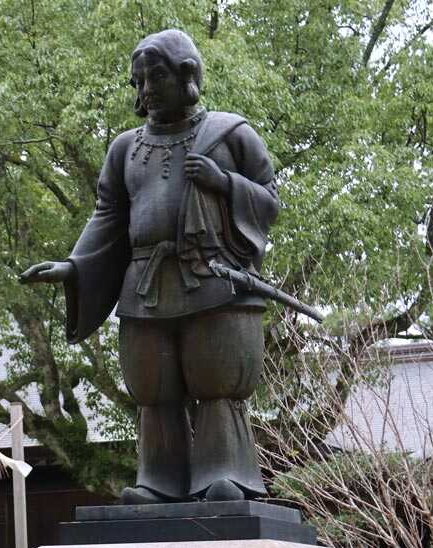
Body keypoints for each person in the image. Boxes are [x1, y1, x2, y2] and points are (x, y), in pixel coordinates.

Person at [20, 29, 280, 504]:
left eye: (155, 77)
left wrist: (224, 182)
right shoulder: (125, 148)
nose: (145, 91)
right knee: (153, 386)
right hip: (144, 283)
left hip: (212, 275)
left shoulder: (230, 133)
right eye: (138, 81)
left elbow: (269, 200)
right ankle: (159, 481)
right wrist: (74, 268)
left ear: (187, 75)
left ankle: (226, 473)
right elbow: (109, 216)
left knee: (216, 378)